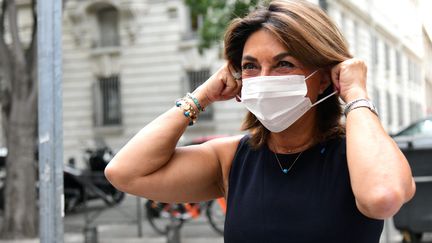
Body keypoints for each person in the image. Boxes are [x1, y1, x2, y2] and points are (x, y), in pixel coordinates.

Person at [105, 0, 416, 242]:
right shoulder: (230, 159)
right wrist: (201, 96)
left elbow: (382, 198)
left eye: (283, 64)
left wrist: (355, 93)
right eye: (251, 66)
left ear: (322, 78)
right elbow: (124, 173)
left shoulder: (359, 156)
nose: (264, 78)